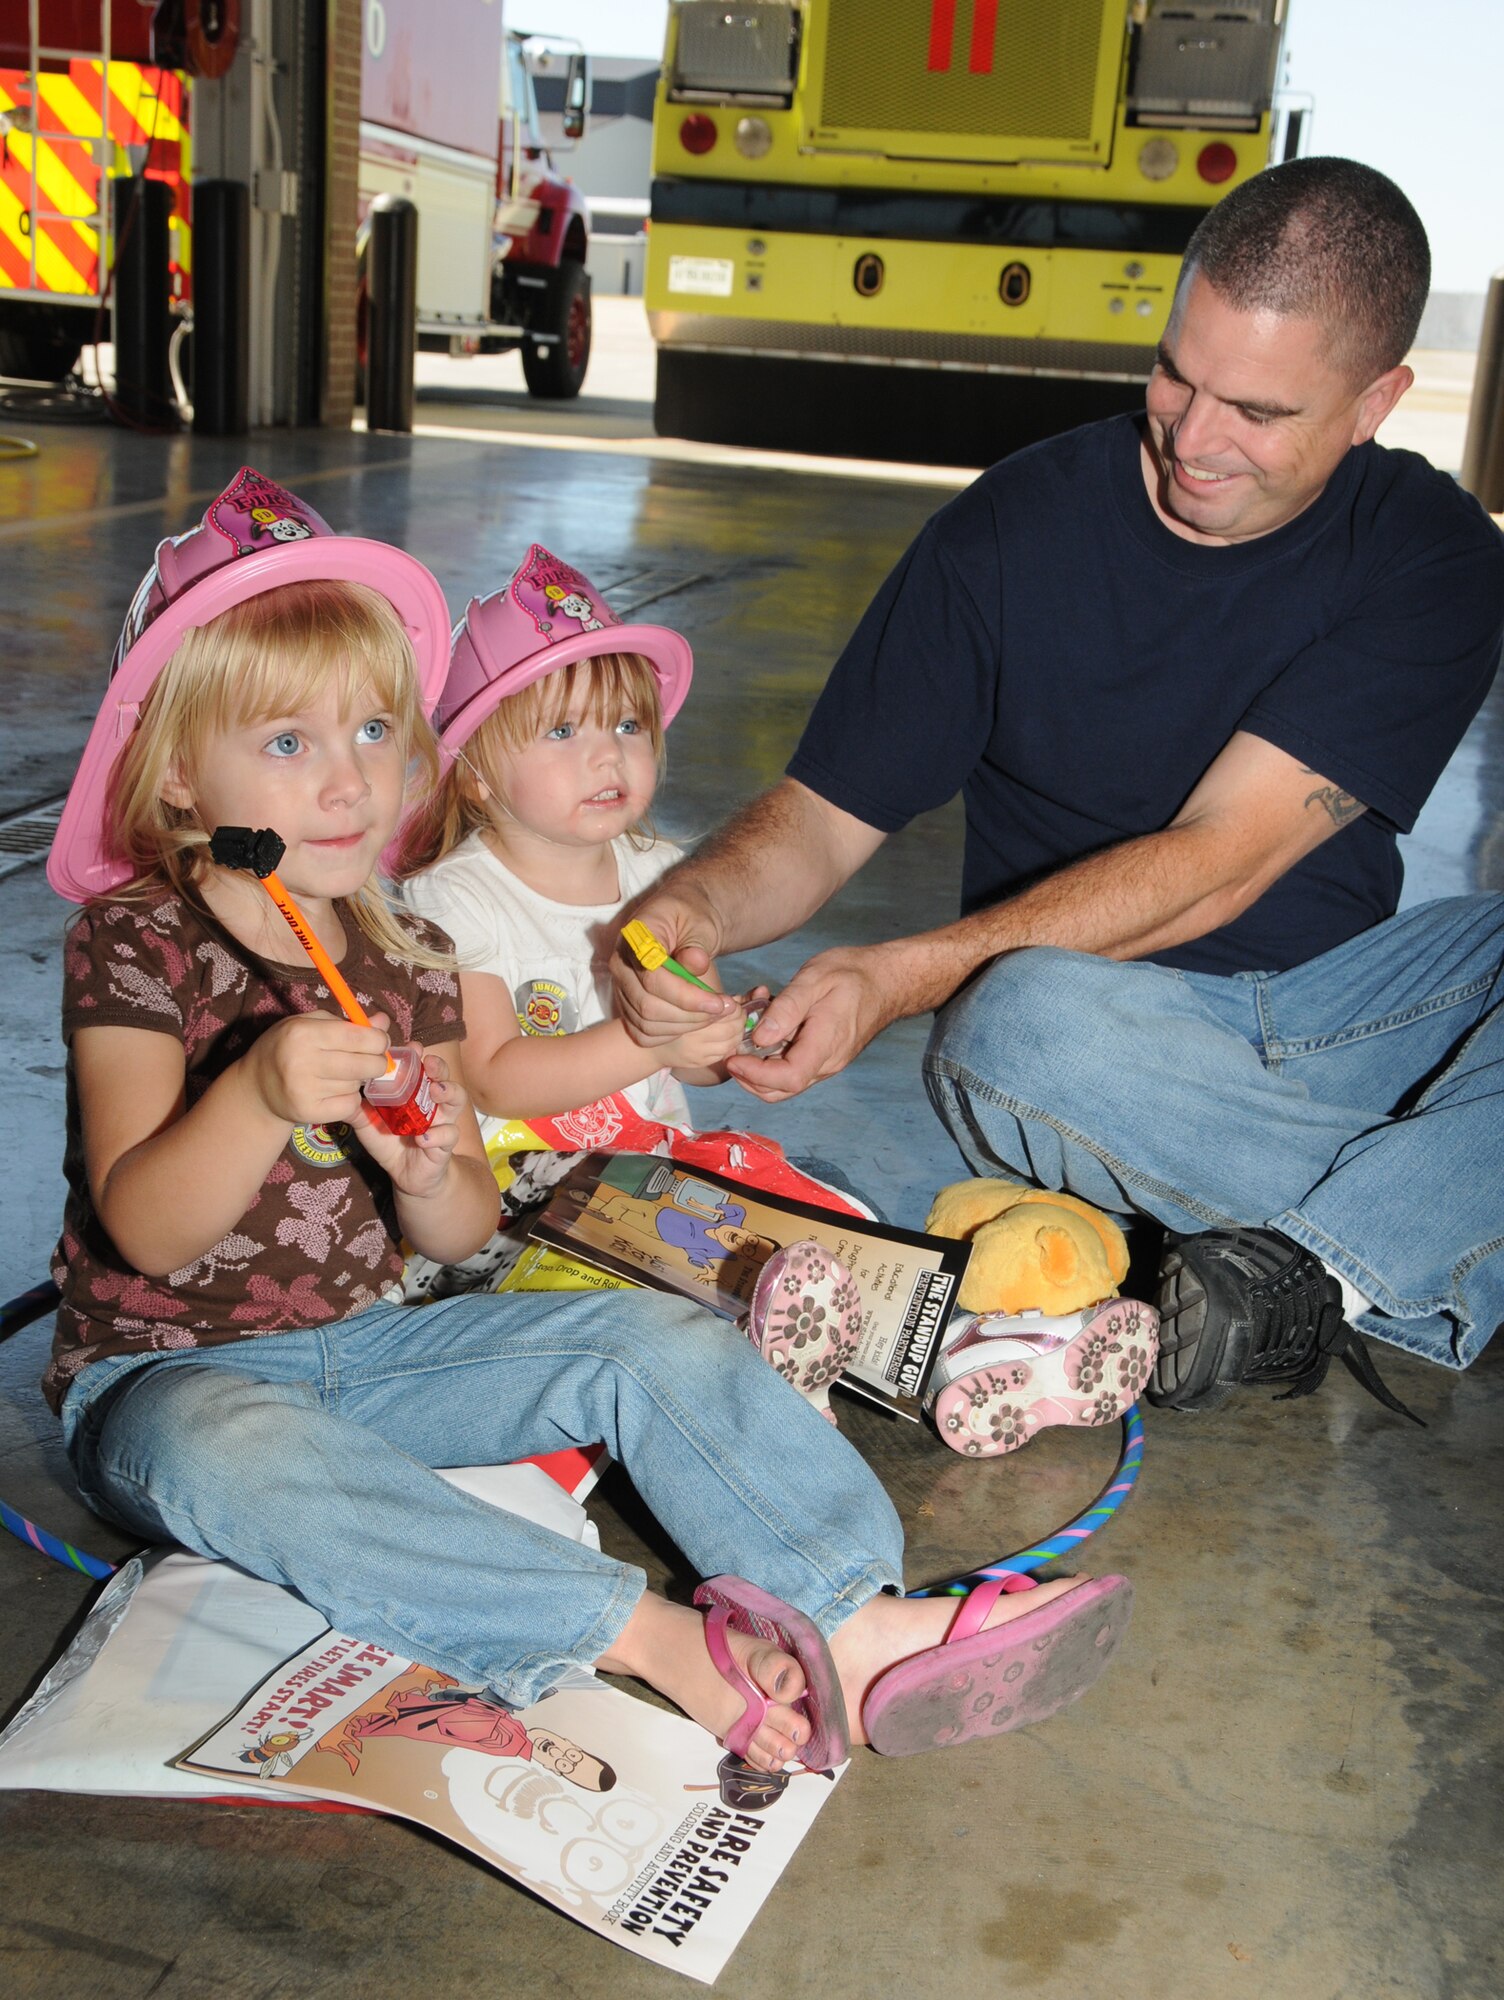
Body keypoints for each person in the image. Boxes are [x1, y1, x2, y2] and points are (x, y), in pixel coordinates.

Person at [42, 466, 1132, 1778]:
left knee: (650, 1333)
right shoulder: (137, 945)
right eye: (286, 745)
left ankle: (854, 1617)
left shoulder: (409, 953)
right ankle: (659, 1642)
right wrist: (262, 1092)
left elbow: (450, 1233)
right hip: (169, 1380)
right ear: (172, 782)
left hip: (380, 1348)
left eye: (378, 733)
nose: (349, 785)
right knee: (208, 1447)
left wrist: (432, 1159)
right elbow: (148, 1230)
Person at [612, 158, 1504, 1410]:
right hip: (1090, 1048)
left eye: (1256, 410)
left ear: (1375, 402)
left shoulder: (1433, 555)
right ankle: (1423, 1222)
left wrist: (890, 975)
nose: (1194, 439)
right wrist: (687, 909)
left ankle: (1318, 1266)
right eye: (1176, 375)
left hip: (1328, 1032)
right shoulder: (1008, 531)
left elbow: (1222, 857)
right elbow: (821, 813)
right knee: (1014, 1016)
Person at [389, 549, 864, 1416]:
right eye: (564, 732)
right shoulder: (453, 897)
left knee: (830, 1208)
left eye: (628, 727)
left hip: (654, 1176)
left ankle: (961, 1349)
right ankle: (754, 1370)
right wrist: (645, 1037)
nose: (606, 756)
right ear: (480, 770)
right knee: (648, 1288)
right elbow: (491, 1072)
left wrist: (727, 1043)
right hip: (520, 1196)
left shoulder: (663, 874)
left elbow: (689, 1066)